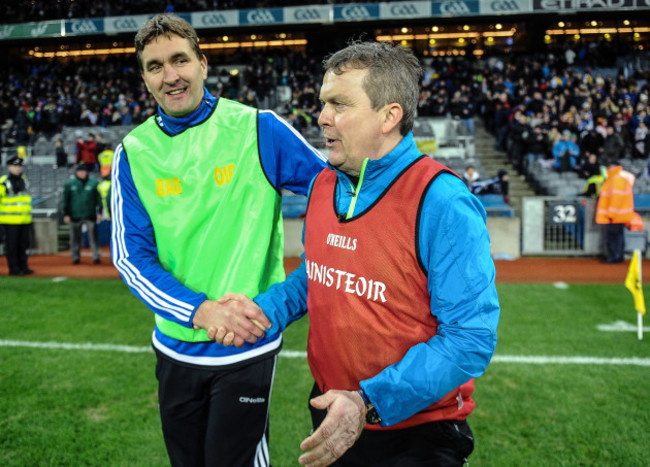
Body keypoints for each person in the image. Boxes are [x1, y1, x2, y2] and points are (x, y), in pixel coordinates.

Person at [214, 41, 500, 466]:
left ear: (389, 116)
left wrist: (368, 401)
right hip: (332, 409)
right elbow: (318, 274)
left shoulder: (440, 200)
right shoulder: (323, 184)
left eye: (339, 104)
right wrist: (261, 311)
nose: (322, 117)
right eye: (323, 103)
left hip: (416, 434)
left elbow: (470, 339)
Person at [110, 13, 326, 467]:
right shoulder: (133, 153)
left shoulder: (258, 128)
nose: (170, 76)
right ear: (145, 78)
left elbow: (332, 194)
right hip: (175, 343)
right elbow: (132, 259)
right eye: (155, 66)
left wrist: (299, 286)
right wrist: (200, 310)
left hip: (246, 341)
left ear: (203, 65)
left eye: (179, 60)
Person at [596, 158, 635, 263]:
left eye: (608, 167)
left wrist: (611, 214)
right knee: (618, 237)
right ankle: (617, 256)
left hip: (614, 215)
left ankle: (614, 257)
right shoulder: (616, 178)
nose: (606, 169)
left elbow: (616, 198)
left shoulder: (616, 179)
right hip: (618, 215)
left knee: (613, 237)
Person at [62, 163, 102, 264]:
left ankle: (96, 256)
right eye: (80, 171)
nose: (82, 173)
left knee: (93, 237)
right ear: (76, 172)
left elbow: (98, 199)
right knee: (75, 238)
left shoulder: (93, 183)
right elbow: (65, 200)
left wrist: (100, 212)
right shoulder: (70, 183)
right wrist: (66, 214)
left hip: (90, 214)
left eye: (84, 171)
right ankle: (75, 256)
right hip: (75, 215)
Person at [0, 156, 33, 276]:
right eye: (15, 166)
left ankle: (23, 267)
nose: (18, 168)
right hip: (10, 220)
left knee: (23, 245)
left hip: (24, 219)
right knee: (12, 246)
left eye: (19, 166)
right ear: (9, 167)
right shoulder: (4, 181)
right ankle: (14, 269)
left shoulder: (24, 179)